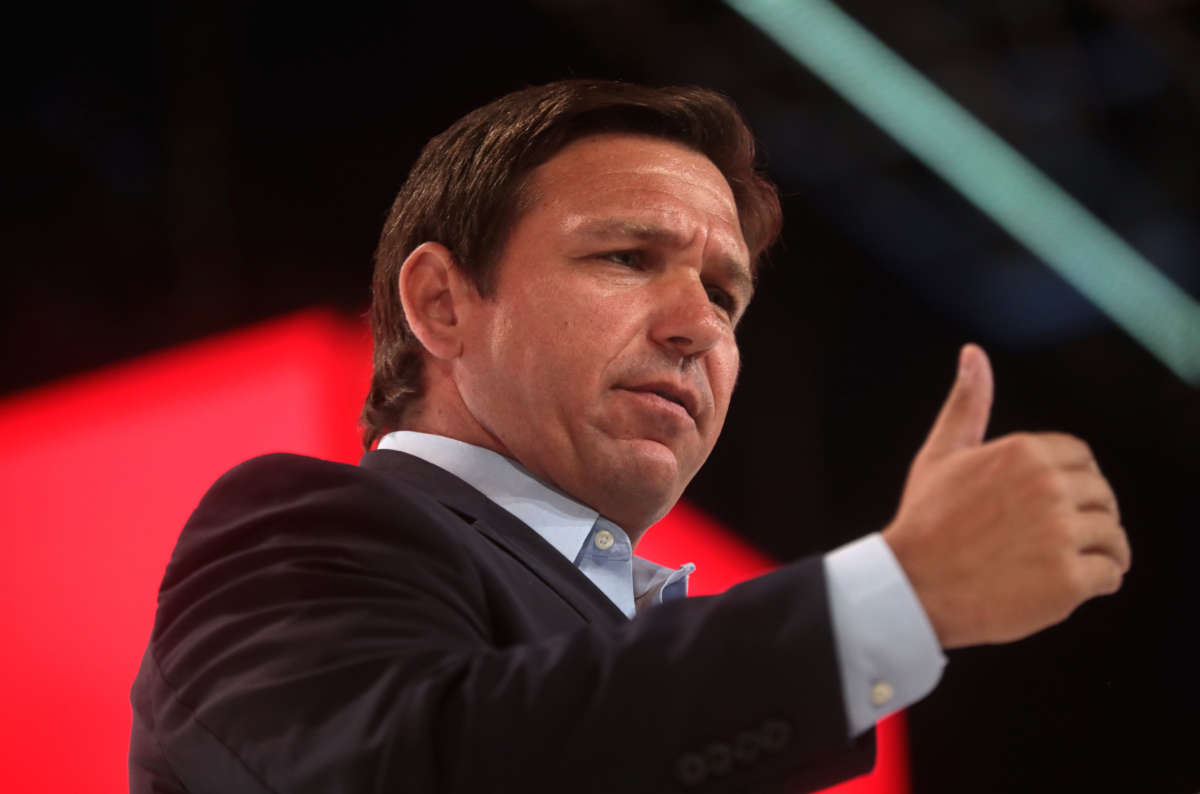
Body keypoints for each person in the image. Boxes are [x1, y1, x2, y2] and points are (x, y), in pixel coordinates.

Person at [129, 80, 1131, 793]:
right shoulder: (301, 527)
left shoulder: (668, 676)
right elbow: (405, 767)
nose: (699, 324)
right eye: (627, 254)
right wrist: (900, 596)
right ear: (442, 303)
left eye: (726, 294)